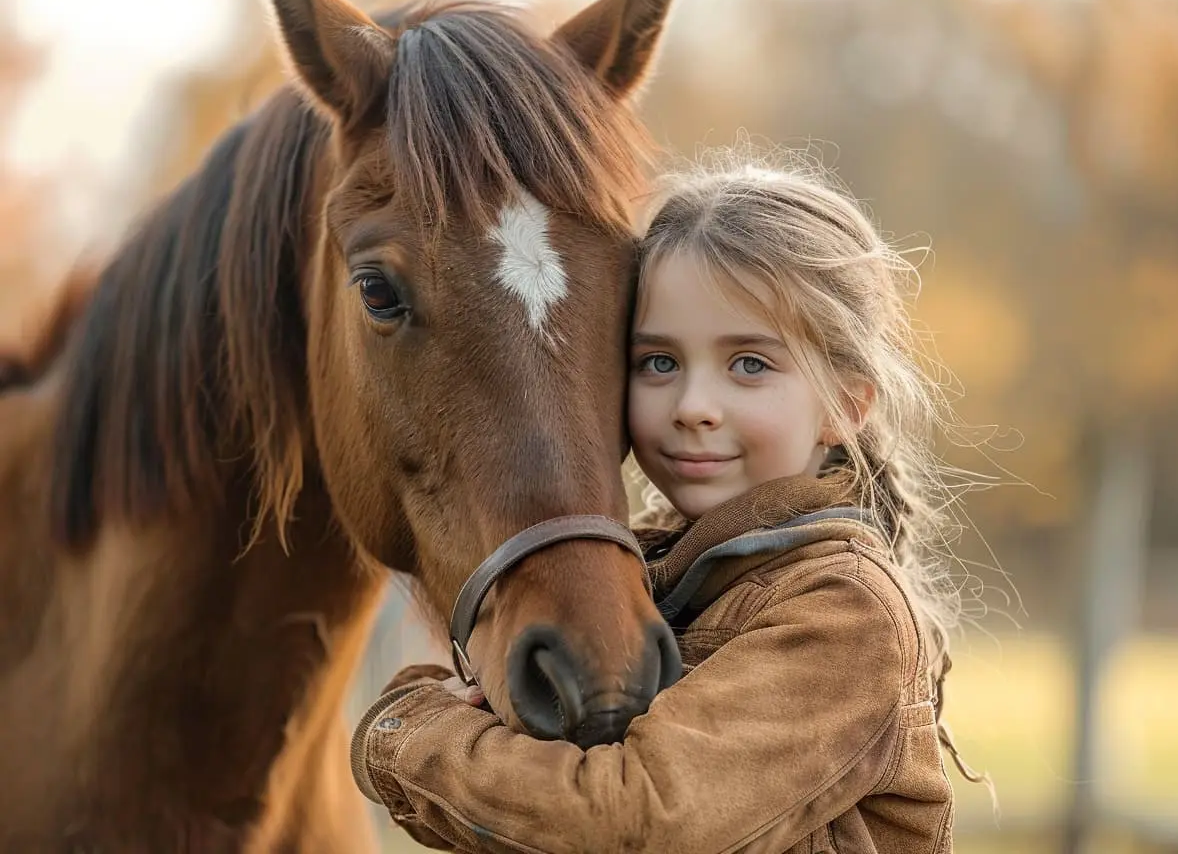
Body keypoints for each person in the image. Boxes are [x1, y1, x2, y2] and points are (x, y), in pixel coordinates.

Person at [350, 147, 990, 852]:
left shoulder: (845, 613)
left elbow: (637, 822)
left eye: (750, 364)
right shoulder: (652, 579)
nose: (693, 406)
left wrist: (406, 732)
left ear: (845, 404)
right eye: (659, 362)